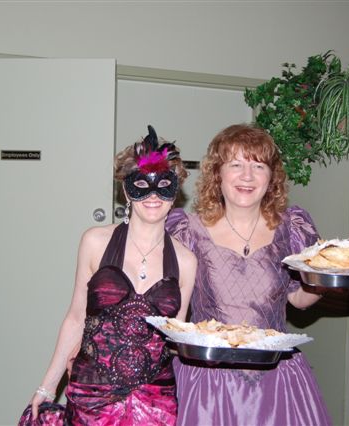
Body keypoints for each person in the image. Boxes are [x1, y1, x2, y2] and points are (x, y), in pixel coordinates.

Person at [18, 125, 197, 425]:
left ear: (174, 191)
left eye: (164, 184)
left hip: (155, 403)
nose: (153, 194)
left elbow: (176, 339)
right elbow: (76, 318)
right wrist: (47, 386)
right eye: (142, 184)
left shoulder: (186, 261)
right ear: (126, 190)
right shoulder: (95, 242)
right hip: (93, 395)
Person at [166, 124, 332, 426]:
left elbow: (298, 299)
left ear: (271, 177)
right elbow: (166, 304)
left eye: (258, 166)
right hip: (209, 383)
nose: (247, 176)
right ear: (217, 173)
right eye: (236, 165)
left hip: (278, 381)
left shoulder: (292, 228)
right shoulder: (187, 231)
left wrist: (327, 280)